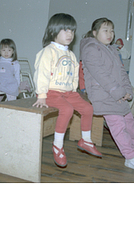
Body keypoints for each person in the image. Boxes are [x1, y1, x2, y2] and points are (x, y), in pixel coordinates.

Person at [80, 17, 134, 173]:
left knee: (129, 122)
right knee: (118, 127)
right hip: (103, 95)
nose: (110, 34)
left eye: (112, 30)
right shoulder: (91, 49)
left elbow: (122, 73)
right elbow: (101, 75)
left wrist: (127, 90)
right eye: (105, 30)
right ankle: (131, 158)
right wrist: (118, 92)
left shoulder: (112, 49)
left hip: (117, 94)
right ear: (95, 32)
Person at [33, 13, 102, 168]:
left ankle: (86, 140)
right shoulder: (48, 51)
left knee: (88, 108)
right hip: (50, 92)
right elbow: (41, 74)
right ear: (53, 31)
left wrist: (74, 91)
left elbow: (74, 76)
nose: (70, 34)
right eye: (65, 30)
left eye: (72, 30)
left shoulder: (70, 54)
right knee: (67, 109)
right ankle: (57, 145)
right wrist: (42, 95)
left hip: (68, 93)